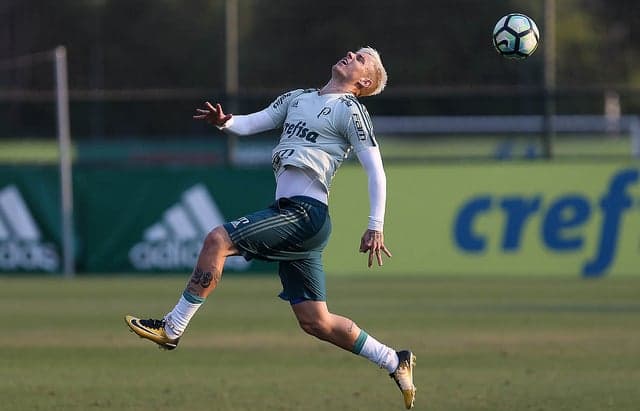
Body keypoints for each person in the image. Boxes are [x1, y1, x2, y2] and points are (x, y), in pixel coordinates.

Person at [125, 46, 416, 409]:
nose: (349, 55)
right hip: (295, 213)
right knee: (315, 322)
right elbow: (254, 122)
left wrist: (376, 225)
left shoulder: (350, 110)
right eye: (352, 52)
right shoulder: (298, 98)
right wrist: (226, 122)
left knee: (218, 240)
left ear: (365, 81)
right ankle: (394, 359)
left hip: (306, 213)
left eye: (360, 58)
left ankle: (172, 328)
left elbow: (376, 169)